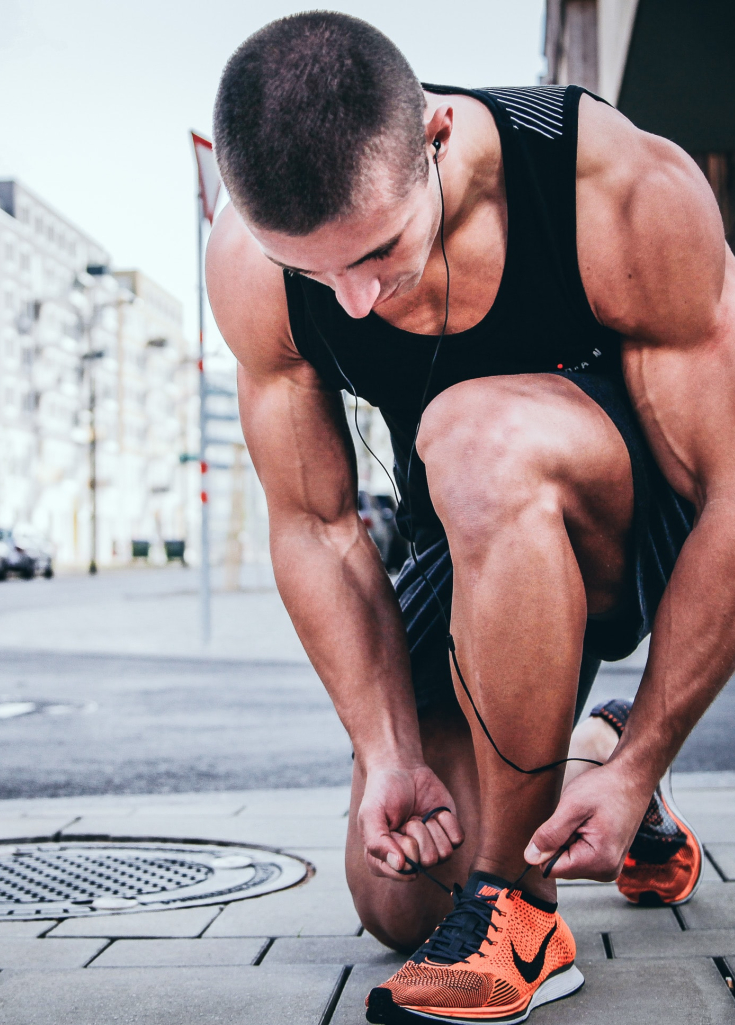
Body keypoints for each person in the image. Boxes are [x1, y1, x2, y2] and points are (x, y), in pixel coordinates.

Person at [206, 12, 732, 1024]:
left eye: (376, 251)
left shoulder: (610, 186)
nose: (351, 302)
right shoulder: (252, 264)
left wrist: (645, 760)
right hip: (472, 542)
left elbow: (731, 494)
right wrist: (385, 750)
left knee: (473, 427)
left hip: (643, 526)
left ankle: (520, 911)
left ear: (437, 137)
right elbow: (315, 526)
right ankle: (576, 763)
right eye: (318, 275)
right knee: (399, 895)